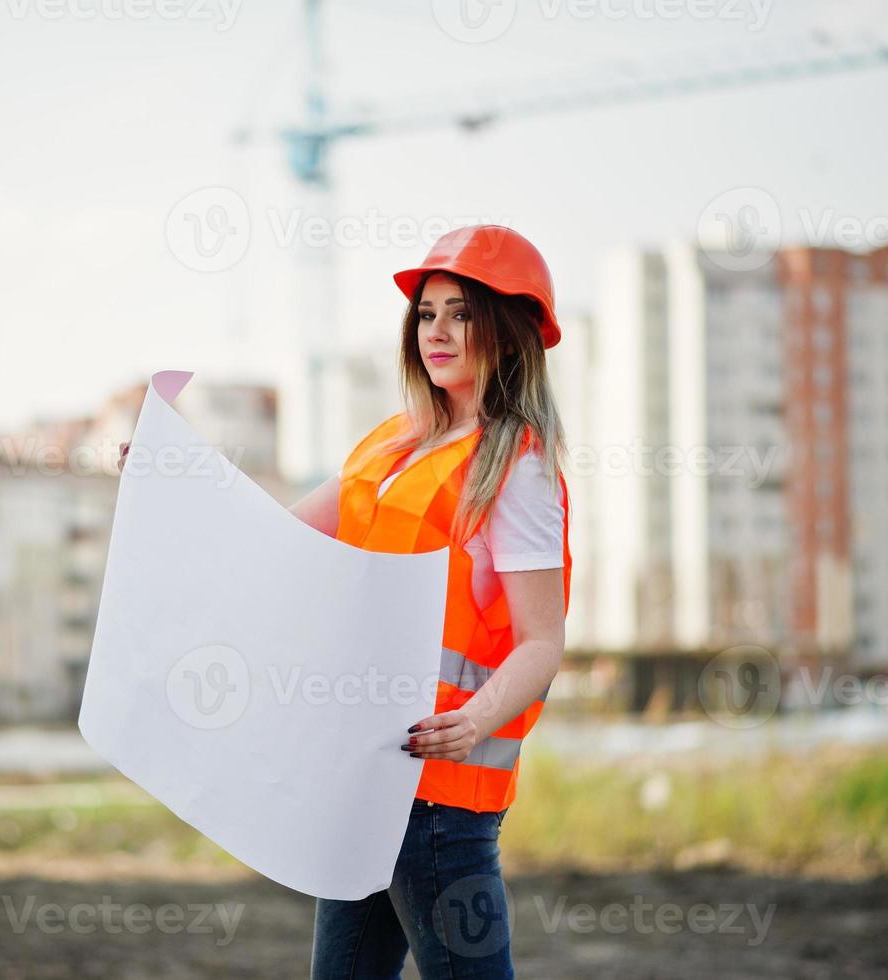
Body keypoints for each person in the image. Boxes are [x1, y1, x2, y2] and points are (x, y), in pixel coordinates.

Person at [121, 224, 570, 979]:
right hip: (359, 773)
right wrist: (174, 481)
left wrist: (472, 722)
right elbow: (277, 542)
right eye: (426, 314)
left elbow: (541, 641)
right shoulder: (389, 447)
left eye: (461, 313)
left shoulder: (514, 465)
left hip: (439, 795)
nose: (437, 331)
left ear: (510, 327)